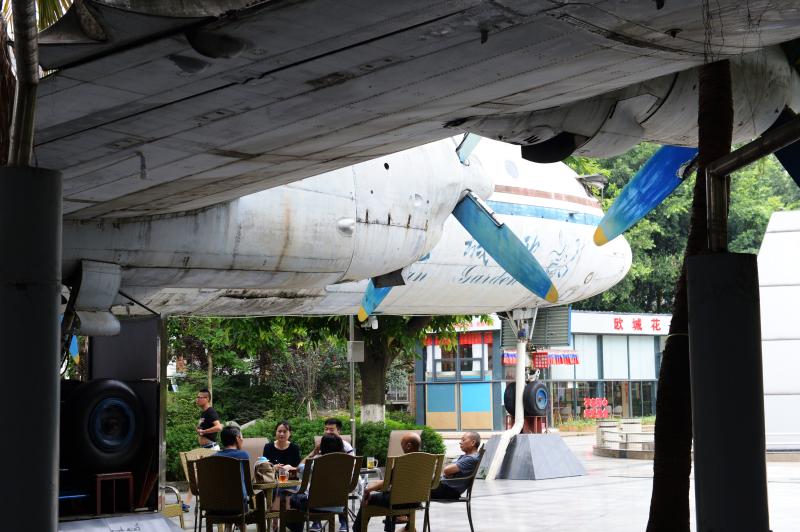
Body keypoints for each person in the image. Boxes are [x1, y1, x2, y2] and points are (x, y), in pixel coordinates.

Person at [352, 433, 422, 532]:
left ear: (408, 446)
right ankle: (398, 528)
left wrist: (367, 490)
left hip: (398, 502)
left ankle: (357, 529)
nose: (401, 446)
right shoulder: (426, 461)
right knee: (391, 494)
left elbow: (387, 482)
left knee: (371, 498)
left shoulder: (403, 461)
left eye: (402, 443)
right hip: (416, 501)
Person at [287, 434, 346, 532]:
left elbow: (299, 468)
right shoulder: (347, 463)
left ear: (322, 447)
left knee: (292, 497)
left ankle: (297, 529)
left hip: (315, 506)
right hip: (339, 506)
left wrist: (313, 453)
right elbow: (353, 486)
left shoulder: (316, 463)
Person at [183, 388, 223, 512]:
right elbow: (202, 428)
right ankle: (187, 503)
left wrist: (204, 431)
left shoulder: (211, 412)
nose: (197, 399)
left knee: (200, 476)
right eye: (197, 397)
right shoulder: (204, 413)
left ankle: (190, 503)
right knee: (197, 476)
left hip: (210, 449)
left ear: (207, 399)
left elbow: (219, 427)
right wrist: (199, 430)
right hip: (204, 449)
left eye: (200, 397)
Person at [429, 432, 481, 500]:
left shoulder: (471, 458)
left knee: (418, 486)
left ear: (473, 443)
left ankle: (415, 505)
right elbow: (448, 471)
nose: (460, 442)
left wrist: (449, 473)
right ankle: (415, 504)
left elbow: (446, 470)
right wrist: (449, 473)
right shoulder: (467, 456)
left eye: (463, 440)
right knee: (419, 481)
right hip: (445, 487)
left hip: (449, 490)